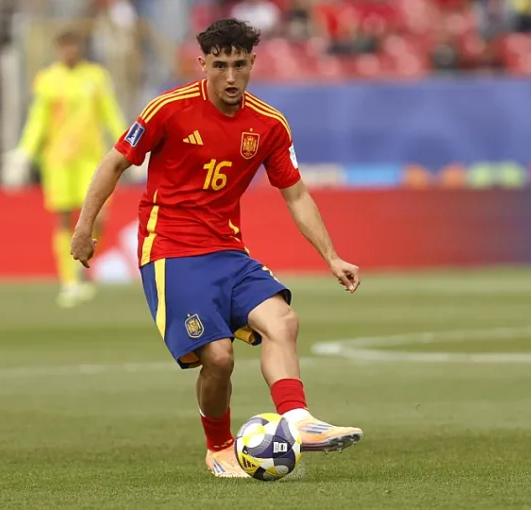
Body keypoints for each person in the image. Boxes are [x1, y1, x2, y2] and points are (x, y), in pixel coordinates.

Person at [71, 18, 363, 478]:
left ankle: (297, 420)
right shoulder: (168, 109)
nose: (230, 76)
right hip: (170, 250)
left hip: (228, 250)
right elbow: (113, 163)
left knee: (283, 321)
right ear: (202, 63)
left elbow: (296, 194)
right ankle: (219, 447)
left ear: (252, 64)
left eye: (239, 65)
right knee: (219, 357)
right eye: (220, 65)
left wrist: (331, 255)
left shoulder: (268, 124)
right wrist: (85, 227)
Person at [2, 29, 127, 308]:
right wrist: (24, 152)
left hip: (91, 159)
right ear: (58, 49)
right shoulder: (48, 80)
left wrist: (130, 144)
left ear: (80, 47)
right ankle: (69, 281)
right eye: (64, 47)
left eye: (73, 46)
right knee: (63, 219)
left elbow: (110, 112)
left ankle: (81, 266)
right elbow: (38, 119)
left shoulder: (96, 77)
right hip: (57, 160)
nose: (69, 52)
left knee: (99, 217)